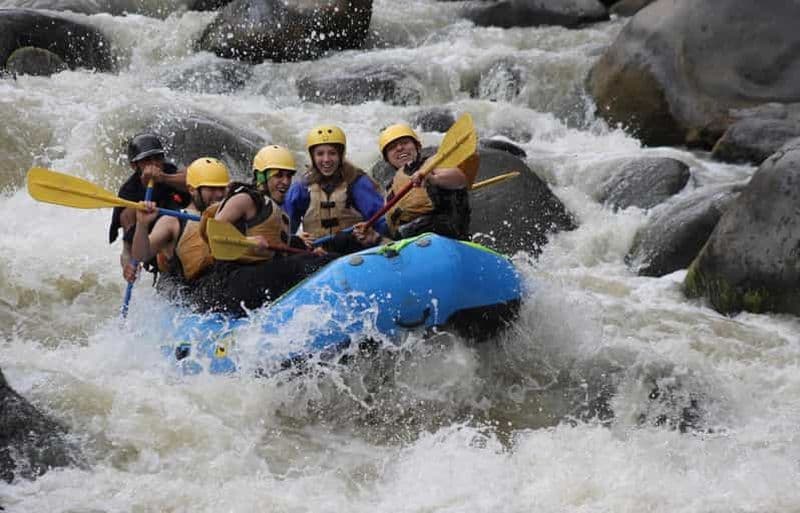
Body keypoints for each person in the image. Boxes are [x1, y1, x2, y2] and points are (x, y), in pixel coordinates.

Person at [188, 145, 335, 316]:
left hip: (255, 278)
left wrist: (305, 247)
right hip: (232, 282)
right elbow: (212, 233)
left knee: (318, 257)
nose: (286, 182)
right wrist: (248, 243)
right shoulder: (245, 199)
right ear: (261, 177)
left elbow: (275, 247)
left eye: (289, 176)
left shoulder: (275, 209)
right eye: (278, 175)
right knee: (306, 265)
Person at [355, 123, 476, 243]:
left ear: (417, 147)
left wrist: (432, 178)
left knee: (411, 231)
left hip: (449, 237)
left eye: (405, 143)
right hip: (414, 246)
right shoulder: (390, 191)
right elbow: (395, 237)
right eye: (392, 147)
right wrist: (376, 237)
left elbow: (460, 179)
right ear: (387, 159)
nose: (399, 148)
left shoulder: (433, 165)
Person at [283, 125, 388, 253]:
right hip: (317, 254)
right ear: (312, 157)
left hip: (353, 251)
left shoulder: (357, 183)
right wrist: (296, 239)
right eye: (320, 154)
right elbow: (285, 230)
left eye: (332, 153)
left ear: (340, 155)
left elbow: (381, 222)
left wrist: (375, 235)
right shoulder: (302, 188)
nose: (326, 160)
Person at [131, 157, 229, 288]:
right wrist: (142, 225)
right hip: (185, 299)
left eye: (222, 189)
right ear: (192, 190)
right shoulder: (172, 221)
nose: (219, 195)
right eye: (211, 189)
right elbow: (141, 255)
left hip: (220, 289)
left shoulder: (231, 215)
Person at [109, 133, 190, 283]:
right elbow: (127, 246)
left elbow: (195, 183)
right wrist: (128, 265)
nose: (154, 164)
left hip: (183, 238)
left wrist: (164, 178)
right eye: (146, 160)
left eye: (157, 158)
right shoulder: (129, 192)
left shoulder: (171, 171)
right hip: (154, 250)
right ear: (134, 165)